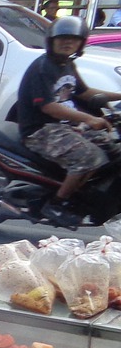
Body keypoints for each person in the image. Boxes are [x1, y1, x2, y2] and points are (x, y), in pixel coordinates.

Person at [16, 15, 121, 226]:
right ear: (51, 41)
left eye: (73, 39)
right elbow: (49, 107)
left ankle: (83, 194)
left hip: (64, 126)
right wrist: (89, 119)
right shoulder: (43, 68)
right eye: (62, 38)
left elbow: (85, 93)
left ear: (80, 43)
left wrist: (119, 96)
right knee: (90, 158)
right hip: (41, 129)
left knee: (111, 148)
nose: (67, 43)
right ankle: (56, 203)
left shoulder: (67, 64)